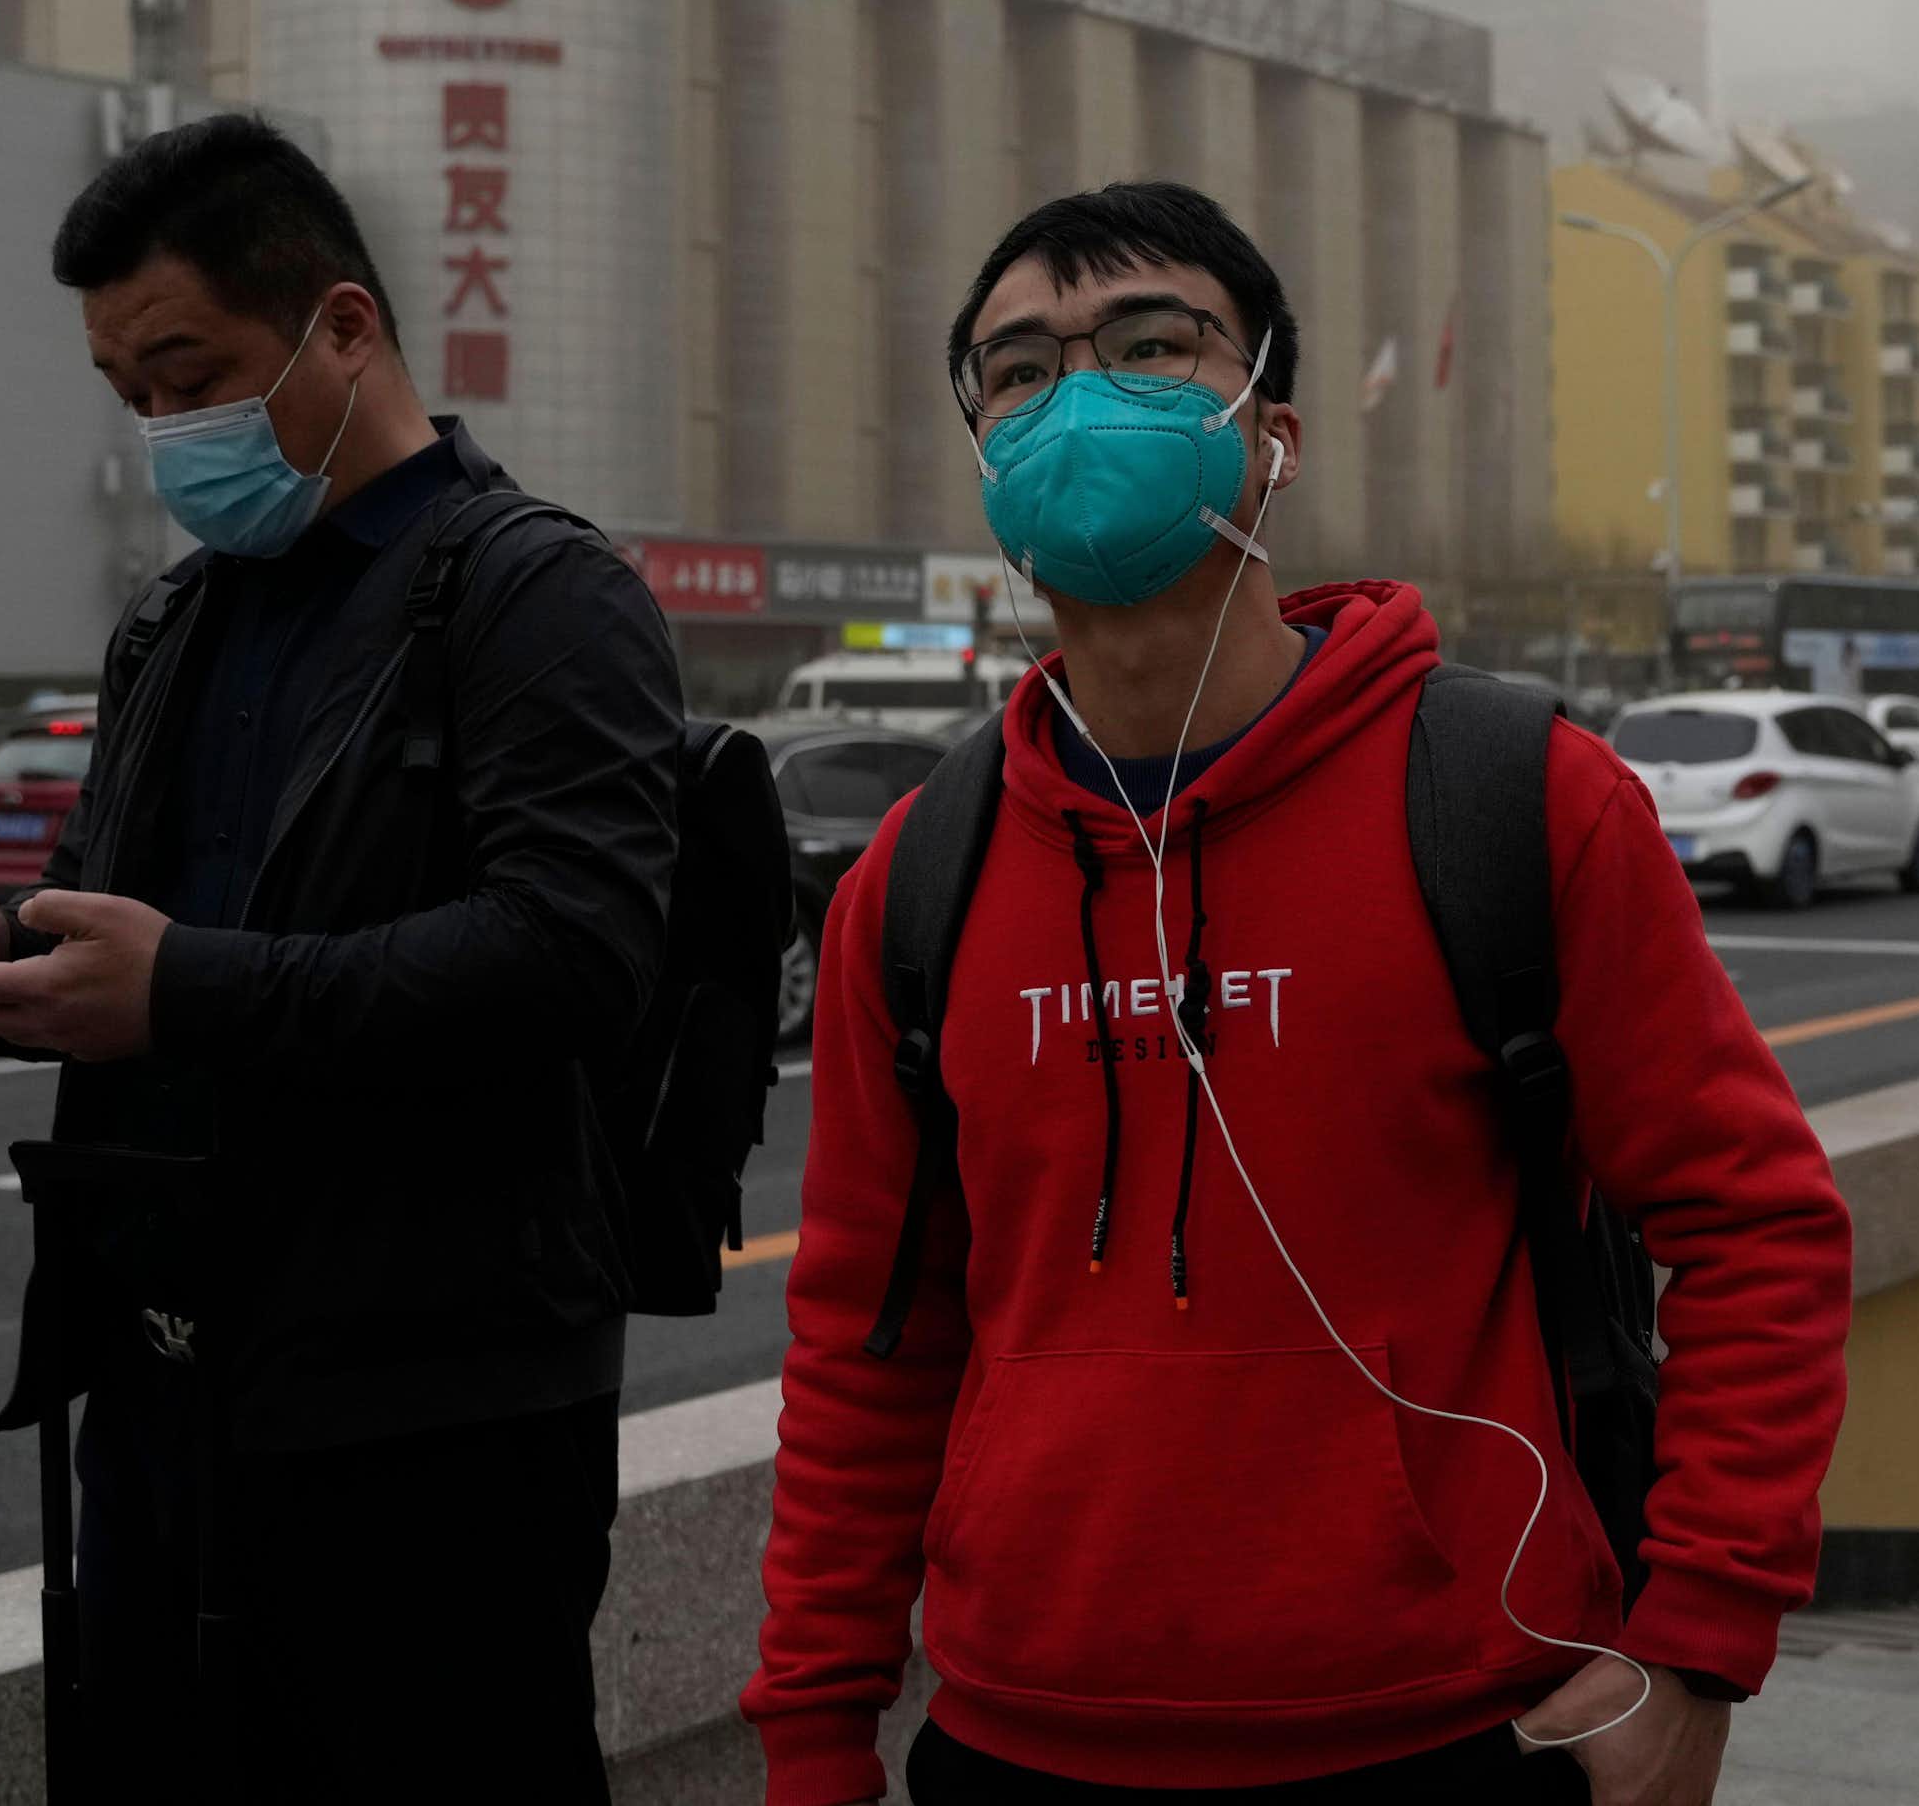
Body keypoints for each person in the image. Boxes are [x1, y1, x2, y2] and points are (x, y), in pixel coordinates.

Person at [745, 182, 1853, 1805]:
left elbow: (1757, 1228)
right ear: (981, 449)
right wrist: (817, 1733)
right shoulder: (922, 878)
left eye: (1149, 345)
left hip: (1458, 1731)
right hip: (1013, 1742)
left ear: (1276, 429)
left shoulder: (1520, 802)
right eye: (1020, 373)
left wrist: (1696, 1643)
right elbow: (865, 1341)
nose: (1079, 398)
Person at [0, 114, 682, 1800]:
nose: (162, 433)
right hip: (155, 1390)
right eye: (129, 396)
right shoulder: (176, 618)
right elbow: (100, 918)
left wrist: (190, 986)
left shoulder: (533, 595)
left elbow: (576, 953)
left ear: (344, 326)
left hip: (431, 1415)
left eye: (190, 374)